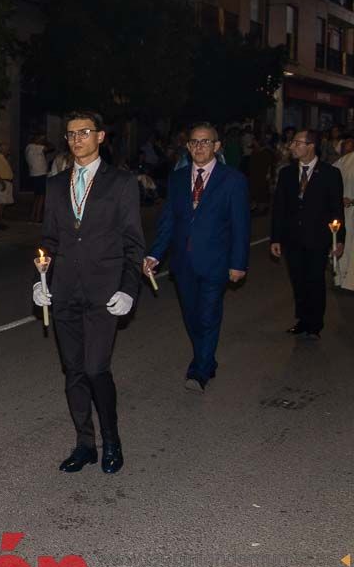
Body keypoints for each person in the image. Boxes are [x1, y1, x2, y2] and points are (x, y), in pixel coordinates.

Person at [32, 112, 143, 475]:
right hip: (64, 291)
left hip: (104, 292)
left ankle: (112, 441)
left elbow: (132, 243)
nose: (76, 139)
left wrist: (128, 288)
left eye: (84, 132)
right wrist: (41, 279)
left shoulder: (122, 183)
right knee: (74, 371)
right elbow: (48, 240)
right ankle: (85, 444)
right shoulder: (55, 185)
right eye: (70, 134)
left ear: (100, 136)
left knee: (97, 369)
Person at [145, 123, 251, 393]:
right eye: (194, 142)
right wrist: (155, 254)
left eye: (206, 142)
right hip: (183, 263)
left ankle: (200, 370)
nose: (199, 147)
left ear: (216, 146)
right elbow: (168, 221)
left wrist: (238, 263)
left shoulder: (233, 180)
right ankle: (207, 357)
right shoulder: (179, 178)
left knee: (208, 315)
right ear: (188, 146)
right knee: (191, 316)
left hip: (216, 262)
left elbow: (241, 225)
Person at [270, 129, 345, 338]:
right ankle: (302, 320)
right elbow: (279, 209)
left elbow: (336, 210)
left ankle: (315, 324)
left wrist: (338, 240)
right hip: (293, 239)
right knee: (298, 281)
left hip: (318, 238)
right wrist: (276, 238)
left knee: (315, 280)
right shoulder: (286, 174)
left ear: (311, 146)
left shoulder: (330, 174)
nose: (291, 147)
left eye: (296, 143)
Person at [335, 138, 354, 292]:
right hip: (345, 212)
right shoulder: (343, 161)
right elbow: (331, 182)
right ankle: (342, 278)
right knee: (345, 243)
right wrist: (338, 198)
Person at [25, 134, 49, 223]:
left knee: (37, 196)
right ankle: (37, 217)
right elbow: (50, 147)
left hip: (34, 174)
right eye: (41, 139)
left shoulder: (29, 147)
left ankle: (33, 216)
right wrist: (45, 142)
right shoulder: (35, 147)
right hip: (40, 174)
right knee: (41, 196)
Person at [0, 141, 14, 230]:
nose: (8, 150)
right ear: (1, 149)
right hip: (1, 182)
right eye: (6, 149)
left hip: (5, 182)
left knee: (2, 203)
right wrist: (3, 183)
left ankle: (0, 222)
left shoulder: (3, 159)